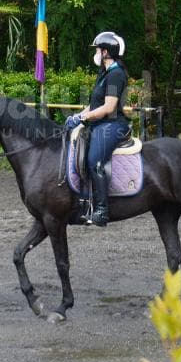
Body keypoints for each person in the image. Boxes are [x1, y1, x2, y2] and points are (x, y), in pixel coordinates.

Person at [64, 31, 131, 226]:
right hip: (101, 122)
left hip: (113, 124)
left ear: (106, 52)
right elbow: (94, 105)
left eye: (98, 49)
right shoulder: (104, 73)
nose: (96, 53)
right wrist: (77, 116)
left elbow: (109, 108)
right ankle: (84, 202)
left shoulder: (116, 74)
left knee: (95, 161)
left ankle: (102, 210)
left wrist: (83, 118)